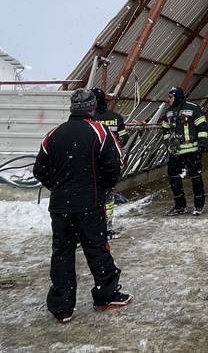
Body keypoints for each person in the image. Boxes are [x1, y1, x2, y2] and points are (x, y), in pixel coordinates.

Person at [32, 88, 132, 323]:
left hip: (60, 206)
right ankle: (106, 296)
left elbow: (39, 170)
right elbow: (114, 164)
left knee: (62, 252)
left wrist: (59, 188)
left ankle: (62, 306)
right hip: (90, 203)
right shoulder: (100, 131)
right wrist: (102, 186)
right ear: (92, 108)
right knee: (96, 248)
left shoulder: (53, 134)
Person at [160, 87, 208, 216]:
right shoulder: (169, 112)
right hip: (175, 152)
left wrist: (202, 142)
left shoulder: (192, 108)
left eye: (170, 97)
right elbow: (165, 129)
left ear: (177, 97)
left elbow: (202, 125)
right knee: (174, 179)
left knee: (195, 178)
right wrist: (168, 142)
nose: (168, 100)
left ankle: (199, 205)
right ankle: (180, 206)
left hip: (192, 150)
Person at [91, 88, 128, 237]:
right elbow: (124, 139)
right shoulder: (116, 118)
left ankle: (89, 229)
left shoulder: (89, 120)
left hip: (91, 164)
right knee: (108, 197)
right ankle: (107, 228)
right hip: (109, 164)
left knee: (90, 198)